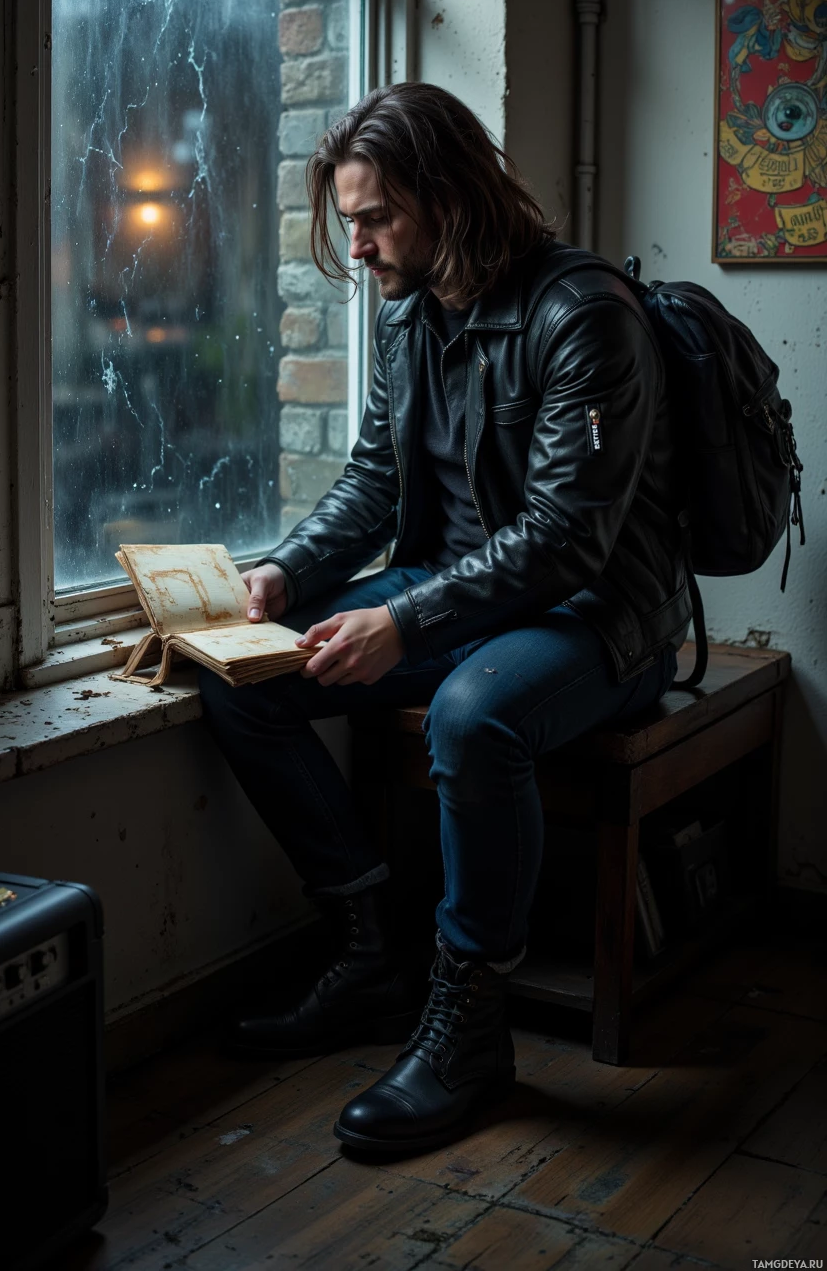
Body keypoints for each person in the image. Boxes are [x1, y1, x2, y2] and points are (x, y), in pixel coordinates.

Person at [198, 82, 690, 1156]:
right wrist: (285, 570)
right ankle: (369, 946)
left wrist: (404, 623)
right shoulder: (408, 315)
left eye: (375, 219)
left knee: (472, 717)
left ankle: (469, 1017)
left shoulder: (583, 313)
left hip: (598, 619)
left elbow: (568, 534)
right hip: (452, 595)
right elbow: (374, 482)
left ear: (450, 196)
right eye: (350, 221)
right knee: (241, 677)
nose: (360, 246)